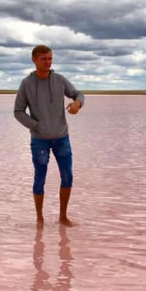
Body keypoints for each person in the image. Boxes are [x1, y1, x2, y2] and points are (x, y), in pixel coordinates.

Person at [14, 45, 85, 227]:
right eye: (44, 59)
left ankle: (63, 217)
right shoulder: (27, 84)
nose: (48, 62)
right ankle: (40, 219)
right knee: (40, 178)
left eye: (50, 58)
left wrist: (77, 103)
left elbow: (78, 94)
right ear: (34, 60)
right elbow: (18, 111)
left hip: (62, 137)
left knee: (67, 176)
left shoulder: (59, 80)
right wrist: (36, 126)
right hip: (39, 140)